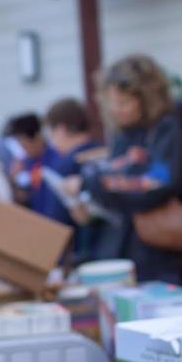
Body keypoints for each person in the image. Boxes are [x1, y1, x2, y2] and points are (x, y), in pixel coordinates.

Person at [78, 54, 182, 286]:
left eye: (123, 102)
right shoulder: (122, 134)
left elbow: (159, 183)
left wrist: (97, 183)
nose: (116, 110)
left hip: (160, 256)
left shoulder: (166, 129)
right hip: (123, 251)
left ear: (146, 99)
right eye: (111, 102)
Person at [45, 98, 112, 262]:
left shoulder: (63, 167)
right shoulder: (109, 154)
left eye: (51, 133)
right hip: (119, 245)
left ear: (61, 129)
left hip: (84, 254)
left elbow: (55, 222)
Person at [4, 112, 68, 223]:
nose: (24, 150)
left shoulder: (56, 158)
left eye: (25, 145)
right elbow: (24, 197)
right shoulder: (28, 163)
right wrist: (13, 179)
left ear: (37, 137)